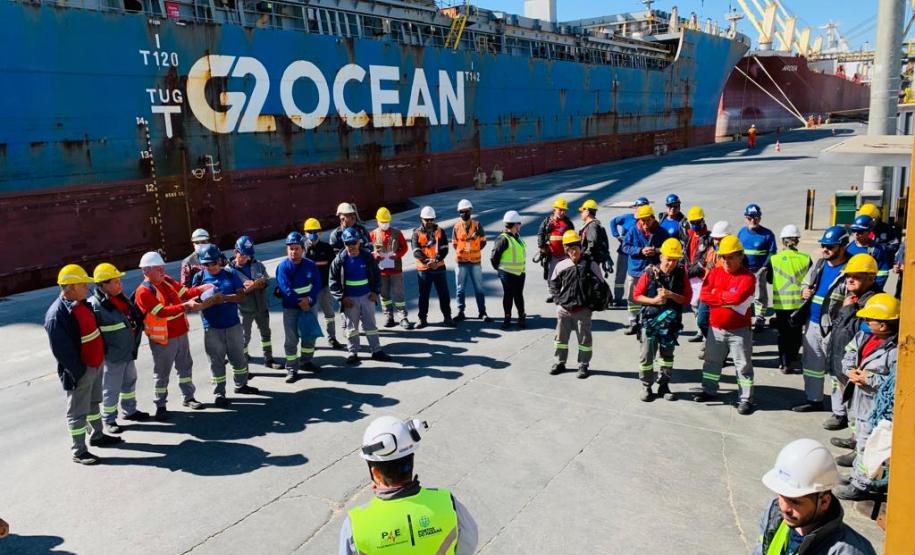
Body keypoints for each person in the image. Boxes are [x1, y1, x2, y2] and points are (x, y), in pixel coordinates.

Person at [338, 416, 478, 555]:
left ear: (375, 473)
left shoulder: (355, 524)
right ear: (412, 459)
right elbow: (469, 542)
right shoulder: (448, 502)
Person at [45, 264, 123, 465]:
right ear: (69, 287)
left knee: (93, 404)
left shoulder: (81, 303)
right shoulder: (57, 315)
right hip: (82, 371)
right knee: (78, 412)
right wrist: (80, 372)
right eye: (83, 285)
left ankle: (97, 435)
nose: (88, 288)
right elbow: (62, 352)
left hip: (95, 365)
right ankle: (79, 451)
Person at [753, 438, 876, 555]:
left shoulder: (848, 551)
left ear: (824, 502)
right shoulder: (774, 516)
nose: (784, 508)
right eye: (782, 496)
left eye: (795, 502)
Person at [833, 293, 899, 501]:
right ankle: (856, 475)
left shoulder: (896, 350)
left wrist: (869, 379)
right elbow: (849, 353)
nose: (866, 321)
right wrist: (850, 369)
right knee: (859, 437)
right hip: (857, 397)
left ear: (885, 325)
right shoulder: (864, 336)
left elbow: (894, 383)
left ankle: (861, 485)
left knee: (866, 442)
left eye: (871, 319)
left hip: (873, 404)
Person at [134, 251, 211, 421]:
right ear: (146, 272)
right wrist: (185, 307)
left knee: (185, 367)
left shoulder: (166, 280)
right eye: (157, 268)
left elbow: (185, 293)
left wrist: (201, 289)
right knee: (162, 374)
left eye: (162, 267)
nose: (162, 271)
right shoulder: (144, 292)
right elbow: (161, 312)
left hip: (180, 333)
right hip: (163, 340)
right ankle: (160, 406)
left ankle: (188, 397)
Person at [694, 235, 757, 415]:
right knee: (711, 362)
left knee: (743, 365)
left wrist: (717, 295)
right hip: (716, 329)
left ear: (740, 256)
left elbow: (738, 298)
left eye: (730, 256)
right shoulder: (714, 272)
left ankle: (745, 399)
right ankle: (709, 389)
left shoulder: (748, 277)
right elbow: (705, 296)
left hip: (739, 331)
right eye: (723, 257)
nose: (726, 261)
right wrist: (725, 298)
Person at [792, 226, 851, 415]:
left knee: (837, 370)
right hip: (813, 324)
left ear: (842, 246)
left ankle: (839, 412)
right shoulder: (819, 264)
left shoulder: (849, 270)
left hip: (835, 329)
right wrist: (804, 290)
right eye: (824, 245)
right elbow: (805, 282)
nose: (825, 249)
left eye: (830, 246)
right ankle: (814, 399)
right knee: (812, 366)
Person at [193, 244, 260, 406]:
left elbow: (241, 295)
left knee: (238, 357)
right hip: (212, 327)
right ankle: (219, 393)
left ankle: (241, 384)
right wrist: (206, 301)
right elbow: (194, 301)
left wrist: (223, 298)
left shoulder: (230, 274)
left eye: (214, 263)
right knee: (216, 361)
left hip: (232, 325)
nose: (211, 267)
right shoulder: (199, 278)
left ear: (219, 261)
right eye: (206, 264)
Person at [826, 254, 881, 446]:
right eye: (848, 275)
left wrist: (848, 310)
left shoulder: (874, 303)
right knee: (851, 408)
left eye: (856, 276)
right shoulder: (854, 298)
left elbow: (861, 330)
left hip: (858, 367)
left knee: (861, 410)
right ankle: (855, 439)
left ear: (870, 278)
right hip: (844, 362)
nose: (850, 279)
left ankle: (860, 445)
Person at [88, 263, 148, 434]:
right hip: (112, 356)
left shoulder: (120, 298)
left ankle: (129, 410)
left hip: (127, 352)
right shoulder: (95, 306)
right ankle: (109, 419)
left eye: (119, 281)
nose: (119, 284)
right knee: (111, 389)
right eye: (115, 282)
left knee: (130, 381)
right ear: (102, 285)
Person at [633, 238, 691, 401]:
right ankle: (646, 386)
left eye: (675, 260)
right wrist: (654, 301)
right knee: (646, 357)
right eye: (668, 259)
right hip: (650, 323)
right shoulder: (650, 273)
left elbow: (687, 299)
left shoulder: (681, 274)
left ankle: (664, 385)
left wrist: (671, 295)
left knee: (667, 356)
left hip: (670, 325)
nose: (671, 263)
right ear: (661, 257)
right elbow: (636, 295)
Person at [548, 230, 606, 379]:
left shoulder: (591, 265)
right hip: (564, 309)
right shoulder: (561, 266)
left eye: (575, 247)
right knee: (560, 340)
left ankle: (583, 365)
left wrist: (591, 305)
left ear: (580, 247)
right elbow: (553, 284)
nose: (573, 251)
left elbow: (601, 286)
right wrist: (558, 301)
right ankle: (560, 362)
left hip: (583, 310)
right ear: (566, 250)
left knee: (584, 340)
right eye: (569, 248)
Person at [329, 227, 392, 365]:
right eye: (348, 243)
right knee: (351, 328)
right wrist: (342, 298)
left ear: (359, 242)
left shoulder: (367, 257)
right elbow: (333, 282)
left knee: (371, 326)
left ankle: (376, 350)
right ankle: (353, 352)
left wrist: (375, 292)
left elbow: (376, 275)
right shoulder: (339, 261)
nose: (351, 246)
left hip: (367, 297)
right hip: (349, 300)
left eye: (354, 242)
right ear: (344, 244)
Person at [276, 231, 323, 383]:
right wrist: (300, 302)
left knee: (309, 336)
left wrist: (309, 300)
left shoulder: (310, 265)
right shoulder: (283, 267)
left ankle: (306, 361)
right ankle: (291, 369)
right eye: (290, 248)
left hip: (309, 306)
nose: (293, 251)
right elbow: (285, 289)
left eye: (296, 248)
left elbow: (317, 284)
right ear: (286, 250)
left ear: (302, 249)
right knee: (291, 339)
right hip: (291, 308)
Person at [229, 235, 281, 369]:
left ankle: (269, 359)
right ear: (236, 252)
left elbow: (267, 279)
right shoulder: (229, 271)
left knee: (266, 333)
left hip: (261, 306)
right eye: (244, 255)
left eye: (249, 256)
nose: (247, 258)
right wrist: (244, 290)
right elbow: (228, 293)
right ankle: (243, 361)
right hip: (244, 310)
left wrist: (260, 283)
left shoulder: (257, 265)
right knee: (244, 337)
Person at [621, 204, 671, 335]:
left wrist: (655, 251)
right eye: (642, 220)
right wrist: (640, 250)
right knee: (633, 299)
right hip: (636, 271)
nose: (644, 223)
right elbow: (625, 247)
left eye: (647, 220)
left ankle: (649, 322)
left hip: (653, 272)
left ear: (653, 218)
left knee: (650, 297)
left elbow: (667, 249)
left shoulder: (661, 232)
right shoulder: (633, 231)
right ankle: (633, 322)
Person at [770, 225, 812, 374]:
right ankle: (793, 356)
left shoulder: (774, 259)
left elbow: (769, 279)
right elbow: (811, 280)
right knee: (795, 333)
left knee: (783, 334)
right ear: (797, 241)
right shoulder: (806, 259)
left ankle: (784, 362)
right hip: (799, 304)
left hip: (781, 303)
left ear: (782, 241)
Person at [370, 208, 415, 330]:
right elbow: (368, 250)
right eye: (382, 221)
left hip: (395, 269)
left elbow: (404, 247)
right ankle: (389, 316)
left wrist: (397, 255)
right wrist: (375, 255)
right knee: (384, 295)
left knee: (399, 294)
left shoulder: (397, 233)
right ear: (377, 221)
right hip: (382, 271)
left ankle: (402, 317)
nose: (385, 224)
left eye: (387, 221)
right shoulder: (373, 234)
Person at [305, 218, 345, 349]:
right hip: (309, 290)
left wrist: (336, 284)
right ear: (305, 233)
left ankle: (332, 338)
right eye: (309, 231)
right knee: (310, 316)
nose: (312, 233)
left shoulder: (326, 248)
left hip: (324, 287)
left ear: (320, 232)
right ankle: (310, 341)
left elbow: (334, 268)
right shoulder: (302, 250)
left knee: (329, 314)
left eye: (315, 231)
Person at [412, 206, 454, 328]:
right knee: (423, 296)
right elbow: (416, 251)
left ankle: (447, 317)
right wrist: (428, 262)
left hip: (439, 267)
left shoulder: (440, 231)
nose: (429, 222)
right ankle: (422, 319)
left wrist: (436, 260)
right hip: (424, 270)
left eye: (431, 219)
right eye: (427, 219)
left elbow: (445, 249)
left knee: (444, 295)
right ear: (421, 219)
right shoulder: (416, 233)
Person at [737, 203, 777, 331]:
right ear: (745, 218)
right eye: (750, 217)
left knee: (760, 296)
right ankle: (745, 317)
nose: (753, 220)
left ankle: (760, 318)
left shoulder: (767, 234)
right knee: (744, 296)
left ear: (760, 218)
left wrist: (765, 267)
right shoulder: (742, 233)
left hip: (760, 270)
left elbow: (772, 252)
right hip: (744, 271)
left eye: (756, 217)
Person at [694, 220, 730, 352]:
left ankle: (720, 350)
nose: (717, 242)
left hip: (722, 295)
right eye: (715, 239)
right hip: (708, 292)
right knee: (702, 321)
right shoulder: (711, 250)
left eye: (720, 239)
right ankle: (713, 342)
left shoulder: (732, 255)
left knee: (721, 325)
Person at [451, 199, 490, 322]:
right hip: (461, 262)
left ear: (470, 211)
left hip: (475, 262)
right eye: (461, 212)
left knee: (479, 288)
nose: (464, 213)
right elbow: (454, 244)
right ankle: (460, 311)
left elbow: (483, 241)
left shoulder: (477, 225)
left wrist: (474, 249)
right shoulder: (456, 226)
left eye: (466, 211)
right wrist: (464, 251)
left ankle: (482, 312)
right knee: (460, 289)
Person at [491, 210, 527, 330]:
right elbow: (494, 257)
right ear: (515, 224)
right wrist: (500, 270)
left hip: (520, 272)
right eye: (519, 223)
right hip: (507, 273)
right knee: (509, 295)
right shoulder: (503, 239)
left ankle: (521, 316)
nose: (520, 225)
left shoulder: (516, 237)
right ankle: (507, 318)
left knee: (518, 295)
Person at [609, 198, 648, 307]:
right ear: (635, 207)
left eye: (645, 206)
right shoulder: (627, 218)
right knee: (620, 275)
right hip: (624, 252)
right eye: (640, 206)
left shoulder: (647, 220)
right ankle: (617, 298)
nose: (642, 208)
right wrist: (616, 235)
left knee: (638, 276)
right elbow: (613, 221)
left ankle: (640, 297)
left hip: (638, 254)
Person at [537, 197, 574, 303]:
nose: (562, 212)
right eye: (560, 210)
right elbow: (541, 234)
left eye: (564, 210)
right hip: (552, 254)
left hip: (565, 254)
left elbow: (573, 236)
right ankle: (552, 294)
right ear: (555, 209)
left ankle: (564, 293)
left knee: (566, 274)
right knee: (551, 274)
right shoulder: (547, 222)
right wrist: (542, 247)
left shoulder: (568, 223)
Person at [684, 206, 712, 343]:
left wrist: (687, 273)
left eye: (697, 222)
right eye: (692, 222)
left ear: (702, 220)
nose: (695, 224)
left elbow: (703, 262)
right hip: (692, 276)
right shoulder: (690, 236)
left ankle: (707, 337)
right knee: (694, 304)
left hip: (701, 277)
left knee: (702, 306)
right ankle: (700, 331)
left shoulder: (708, 238)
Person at [847, 215, 890, 289]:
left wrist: (874, 289)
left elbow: (883, 272)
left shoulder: (877, 250)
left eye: (860, 232)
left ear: (869, 231)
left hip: (867, 290)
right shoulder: (848, 247)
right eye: (854, 230)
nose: (856, 234)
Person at [578, 199, 613, 277]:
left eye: (582, 211)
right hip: (591, 260)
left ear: (587, 211)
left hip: (589, 261)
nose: (581, 213)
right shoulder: (593, 225)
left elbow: (592, 244)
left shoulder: (592, 226)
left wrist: (583, 257)